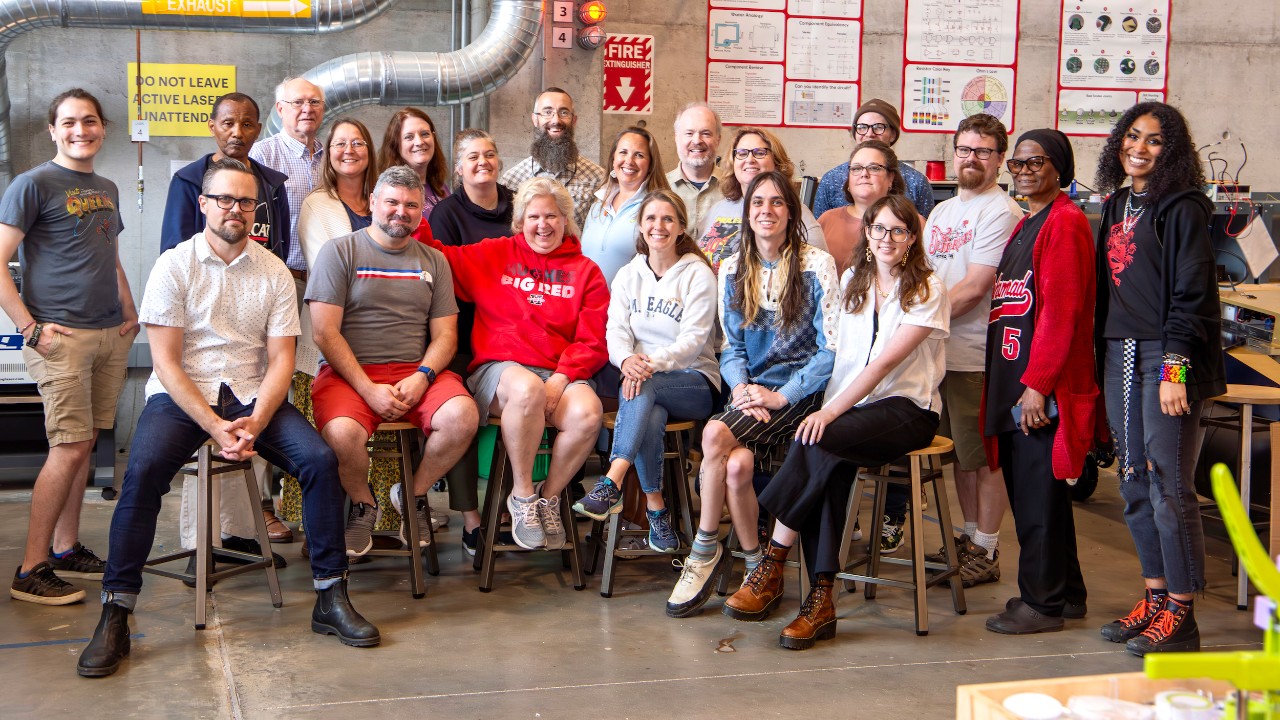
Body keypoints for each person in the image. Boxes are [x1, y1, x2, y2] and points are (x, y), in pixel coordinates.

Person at [77, 159, 379, 679]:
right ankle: (116, 611)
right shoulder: (174, 265)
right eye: (224, 199)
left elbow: (282, 359)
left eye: (245, 201)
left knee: (319, 461)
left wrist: (256, 422)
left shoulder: (274, 272)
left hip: (251, 395)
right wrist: (216, 428)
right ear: (204, 204)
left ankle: (331, 597)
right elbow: (166, 364)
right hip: (182, 396)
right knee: (143, 473)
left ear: (256, 210)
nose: (234, 209)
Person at [726, 194, 948, 649]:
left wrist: (828, 412)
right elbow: (841, 355)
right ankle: (819, 601)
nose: (887, 239)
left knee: (819, 440)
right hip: (853, 407)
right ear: (867, 232)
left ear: (912, 239)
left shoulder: (927, 289)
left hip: (907, 408)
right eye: (879, 229)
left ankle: (772, 559)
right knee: (827, 463)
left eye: (898, 231)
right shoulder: (853, 280)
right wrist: (822, 407)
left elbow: (881, 365)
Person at [667, 171, 838, 618]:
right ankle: (757, 565)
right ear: (746, 213)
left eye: (777, 202)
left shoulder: (816, 264)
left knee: (712, 437)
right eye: (757, 202)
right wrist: (742, 389)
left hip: (800, 395)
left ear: (791, 212)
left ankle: (704, 551)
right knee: (737, 466)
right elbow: (732, 349)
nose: (766, 210)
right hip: (750, 395)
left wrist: (783, 396)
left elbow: (831, 350)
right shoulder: (730, 267)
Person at [1094, 102, 1222, 656]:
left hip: (1165, 358)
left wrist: (1176, 369)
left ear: (1171, 152)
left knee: (1170, 488)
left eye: (1153, 141)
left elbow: (1193, 294)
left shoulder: (1184, 207)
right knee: (1133, 483)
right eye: (1132, 137)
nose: (1138, 148)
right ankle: (1155, 595)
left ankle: (1183, 613)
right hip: (1119, 354)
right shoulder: (1119, 203)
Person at [3, 89, 139, 605]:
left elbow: (112, 256)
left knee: (86, 445)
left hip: (108, 332)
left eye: (89, 121)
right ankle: (30, 568)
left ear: (102, 128)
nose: (81, 130)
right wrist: (29, 327)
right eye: (69, 122)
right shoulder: (32, 184)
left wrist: (128, 312)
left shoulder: (106, 186)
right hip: (60, 335)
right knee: (69, 447)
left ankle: (64, 548)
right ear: (53, 131)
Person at [421, 178, 608, 551]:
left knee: (589, 413)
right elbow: (435, 253)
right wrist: (413, 206)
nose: (543, 224)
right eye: (533, 216)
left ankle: (548, 497)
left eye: (552, 216)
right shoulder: (494, 254)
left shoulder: (586, 271)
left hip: (557, 373)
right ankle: (521, 497)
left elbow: (593, 340)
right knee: (526, 389)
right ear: (520, 222)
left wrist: (562, 378)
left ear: (565, 220)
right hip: (501, 372)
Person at [308, 166, 478, 556]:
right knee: (341, 436)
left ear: (421, 211)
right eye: (392, 202)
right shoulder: (340, 252)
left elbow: (446, 337)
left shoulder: (434, 262)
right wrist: (367, 389)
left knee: (463, 417)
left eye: (411, 205)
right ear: (372, 203)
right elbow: (324, 333)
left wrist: (423, 376)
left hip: (414, 372)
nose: (401, 211)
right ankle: (364, 505)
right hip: (350, 374)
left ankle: (413, 496)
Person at [161, 91, 294, 555]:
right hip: (201, 330)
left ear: (260, 129)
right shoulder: (186, 180)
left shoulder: (273, 184)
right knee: (209, 437)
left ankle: (242, 528)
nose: (238, 132)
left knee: (253, 429)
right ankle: (204, 540)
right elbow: (174, 254)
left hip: (256, 322)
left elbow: (279, 247)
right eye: (228, 123)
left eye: (248, 124)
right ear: (213, 127)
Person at [982, 129, 1098, 635]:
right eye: (1019, 163)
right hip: (1016, 382)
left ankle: (1042, 604)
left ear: (1060, 167)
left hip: (1038, 391)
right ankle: (1067, 593)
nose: (1025, 170)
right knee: (1043, 498)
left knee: (1036, 503)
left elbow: (1063, 313)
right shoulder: (1030, 222)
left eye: (1038, 162)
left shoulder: (1066, 223)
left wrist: (1038, 385)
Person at [573, 189, 720, 552]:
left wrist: (644, 366)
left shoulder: (698, 275)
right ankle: (657, 510)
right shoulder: (628, 275)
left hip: (695, 383)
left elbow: (692, 342)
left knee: (643, 387)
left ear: (682, 227)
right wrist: (625, 360)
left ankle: (611, 481)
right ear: (640, 226)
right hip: (643, 383)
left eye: (668, 219)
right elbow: (615, 331)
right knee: (649, 411)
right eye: (651, 218)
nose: (659, 226)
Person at [920, 113, 1023, 586]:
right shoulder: (942, 212)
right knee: (960, 456)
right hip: (940, 353)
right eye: (965, 149)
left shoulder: (1000, 212)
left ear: (1000, 160)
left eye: (983, 151)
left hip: (976, 355)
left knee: (983, 457)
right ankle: (968, 539)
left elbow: (976, 287)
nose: (972, 158)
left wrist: (917, 327)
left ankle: (988, 546)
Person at [279, 117, 379, 535]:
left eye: (358, 142)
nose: (350, 150)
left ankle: (377, 521)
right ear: (328, 153)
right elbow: (328, 268)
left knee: (378, 437)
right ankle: (321, 529)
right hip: (326, 339)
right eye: (340, 143)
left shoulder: (383, 198)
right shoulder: (318, 204)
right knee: (325, 439)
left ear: (370, 151)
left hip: (381, 341)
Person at [426, 128, 514, 556]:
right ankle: (471, 519)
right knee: (458, 416)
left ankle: (510, 508)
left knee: (522, 410)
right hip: (461, 337)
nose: (483, 163)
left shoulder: (517, 204)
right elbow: (444, 279)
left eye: (490, 154)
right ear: (458, 168)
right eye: (473, 157)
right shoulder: (445, 213)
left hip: (511, 336)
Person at [698, 127, 825, 274]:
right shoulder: (718, 209)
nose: (749, 160)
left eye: (759, 153)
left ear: (776, 162)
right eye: (742, 153)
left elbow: (817, 272)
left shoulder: (797, 213)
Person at [249, 77, 326, 279]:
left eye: (314, 102)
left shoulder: (332, 157)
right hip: (279, 277)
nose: (308, 109)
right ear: (280, 109)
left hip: (326, 279)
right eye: (298, 102)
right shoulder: (261, 156)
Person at [500, 87, 607, 229]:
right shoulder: (512, 180)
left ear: (574, 120)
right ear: (535, 119)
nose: (556, 120)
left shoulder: (598, 178)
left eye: (564, 112)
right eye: (547, 112)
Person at [813, 98, 935, 219]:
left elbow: (926, 234)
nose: (869, 133)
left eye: (878, 127)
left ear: (893, 134)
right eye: (862, 127)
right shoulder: (831, 179)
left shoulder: (917, 182)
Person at [580, 126, 672, 285]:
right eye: (623, 152)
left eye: (639, 155)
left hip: (630, 307)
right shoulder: (598, 203)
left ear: (650, 165)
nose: (629, 161)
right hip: (591, 305)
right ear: (613, 158)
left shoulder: (655, 207)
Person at [818, 140, 916, 275]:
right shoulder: (826, 220)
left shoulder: (914, 222)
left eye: (874, 168)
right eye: (856, 168)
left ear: (891, 178)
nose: (864, 174)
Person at [377, 107, 450, 221]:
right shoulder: (389, 192)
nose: (419, 142)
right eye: (409, 137)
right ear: (396, 145)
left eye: (425, 134)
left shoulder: (441, 188)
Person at [666, 102, 725, 232]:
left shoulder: (734, 187)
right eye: (689, 133)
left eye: (706, 133)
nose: (697, 140)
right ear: (677, 138)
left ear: (718, 139)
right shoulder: (660, 187)